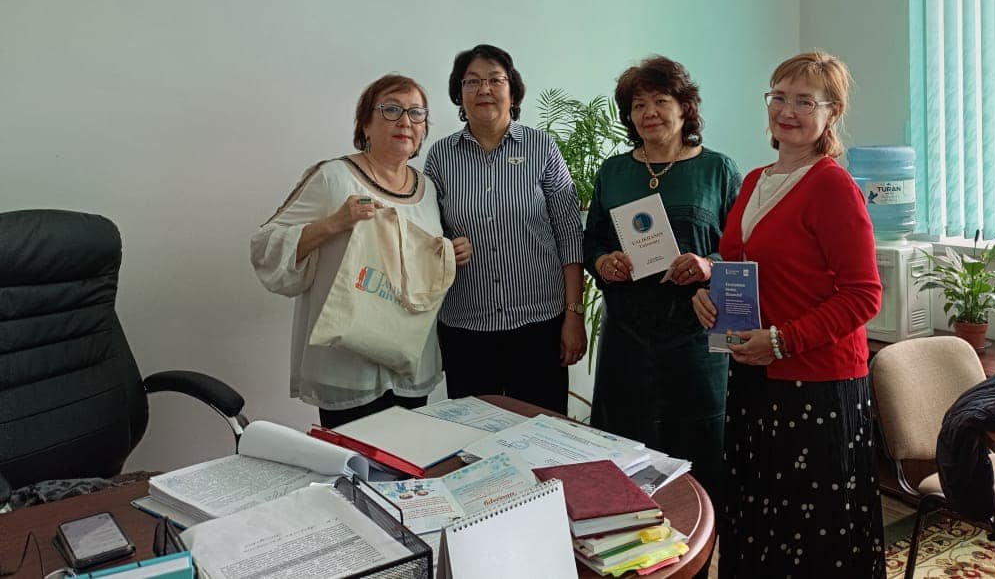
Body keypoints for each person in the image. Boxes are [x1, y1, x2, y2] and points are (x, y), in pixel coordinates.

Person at [692, 50, 885, 578]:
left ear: (832, 113)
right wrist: (708, 290)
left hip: (815, 383)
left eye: (805, 101)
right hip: (754, 374)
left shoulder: (833, 185)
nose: (787, 110)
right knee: (759, 514)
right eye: (778, 97)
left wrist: (780, 340)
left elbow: (864, 295)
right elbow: (740, 264)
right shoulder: (755, 179)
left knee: (809, 530)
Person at [251, 74, 471, 428]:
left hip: (409, 359)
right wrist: (334, 223)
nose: (405, 121)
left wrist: (449, 253)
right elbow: (265, 246)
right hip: (347, 366)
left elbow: (414, 262)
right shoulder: (334, 177)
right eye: (391, 110)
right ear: (365, 123)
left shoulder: (428, 189)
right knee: (352, 461)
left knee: (407, 458)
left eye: (416, 113)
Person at [584, 56, 740, 510]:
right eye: (638, 105)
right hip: (627, 338)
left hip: (697, 338)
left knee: (700, 450)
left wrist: (708, 265)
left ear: (685, 107)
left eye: (660, 101)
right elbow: (592, 241)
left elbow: (744, 249)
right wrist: (604, 261)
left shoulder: (718, 170)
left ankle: (700, 540)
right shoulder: (614, 171)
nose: (649, 112)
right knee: (624, 450)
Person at [424, 44, 585, 414]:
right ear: (459, 94)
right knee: (471, 436)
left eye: (495, 80)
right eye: (472, 81)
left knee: (543, 434)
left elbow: (569, 235)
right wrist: (446, 245)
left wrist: (574, 314)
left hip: (539, 325)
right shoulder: (440, 156)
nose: (484, 89)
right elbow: (427, 234)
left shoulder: (541, 147)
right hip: (466, 327)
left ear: (513, 90)